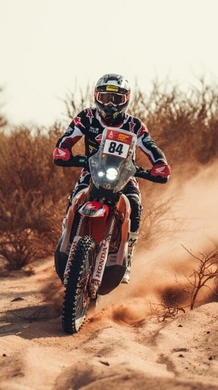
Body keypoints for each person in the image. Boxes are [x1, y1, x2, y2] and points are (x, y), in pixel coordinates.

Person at [52, 73, 171, 283]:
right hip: (92, 172)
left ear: (126, 99)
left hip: (124, 176)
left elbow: (150, 147)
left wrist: (160, 165)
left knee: (134, 205)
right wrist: (64, 152)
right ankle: (67, 240)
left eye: (116, 99)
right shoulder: (86, 117)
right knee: (76, 198)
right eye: (105, 98)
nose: (110, 104)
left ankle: (128, 254)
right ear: (97, 96)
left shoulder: (134, 125)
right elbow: (66, 139)